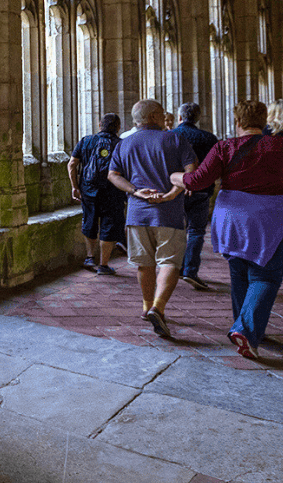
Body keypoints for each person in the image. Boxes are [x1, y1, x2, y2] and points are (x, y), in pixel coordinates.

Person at [171, 100, 283, 360]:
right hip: (271, 217)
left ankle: (244, 328)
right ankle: (246, 329)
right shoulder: (279, 146)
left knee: (240, 272)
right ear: (265, 120)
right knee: (266, 276)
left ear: (237, 122)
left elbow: (196, 181)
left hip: (233, 218)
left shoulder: (225, 146)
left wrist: (175, 177)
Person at [107, 100, 196, 339]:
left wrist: (134, 191)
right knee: (169, 263)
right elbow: (192, 172)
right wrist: (170, 194)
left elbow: (113, 175)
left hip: (137, 213)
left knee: (144, 264)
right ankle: (159, 306)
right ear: (156, 116)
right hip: (169, 213)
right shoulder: (175, 139)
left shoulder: (124, 143)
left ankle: (147, 306)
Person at [68, 113, 126, 275]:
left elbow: (72, 164)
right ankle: (104, 265)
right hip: (112, 191)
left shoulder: (86, 140)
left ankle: (89, 257)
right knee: (109, 225)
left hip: (88, 189)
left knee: (89, 221)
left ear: (100, 125)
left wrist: (75, 187)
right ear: (118, 127)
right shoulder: (121, 144)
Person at [173, 103, 219, 290]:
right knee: (197, 231)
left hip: (174, 190)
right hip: (200, 189)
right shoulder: (208, 138)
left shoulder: (170, 136)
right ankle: (190, 270)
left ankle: (174, 268)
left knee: (176, 230)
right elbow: (215, 165)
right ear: (198, 118)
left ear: (179, 117)